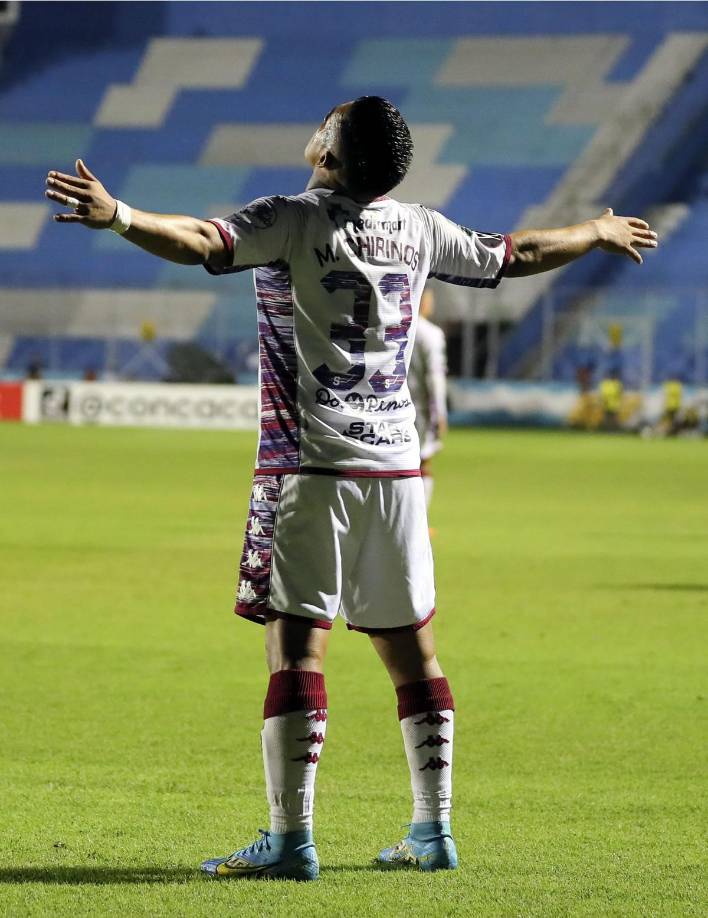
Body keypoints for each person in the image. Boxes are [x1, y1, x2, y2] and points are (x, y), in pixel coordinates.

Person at [45, 96, 658, 880]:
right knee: (414, 653)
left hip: (309, 465)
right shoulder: (421, 227)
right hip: (397, 472)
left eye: (327, 122)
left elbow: (203, 239)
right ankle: (432, 831)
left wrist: (118, 214)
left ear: (330, 155)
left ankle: (290, 839)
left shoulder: (291, 218)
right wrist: (599, 232)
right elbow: (519, 254)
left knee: (295, 645)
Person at [408, 286, 448, 510]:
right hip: (420, 409)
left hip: (391, 407)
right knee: (423, 462)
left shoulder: (394, 326)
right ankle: (419, 520)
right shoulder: (430, 333)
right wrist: (440, 412)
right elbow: (435, 377)